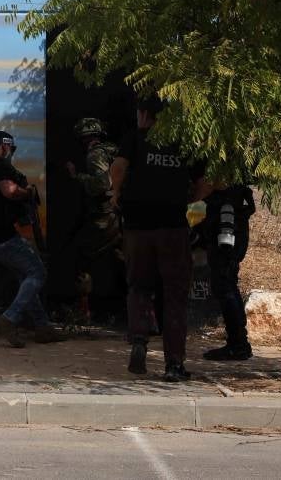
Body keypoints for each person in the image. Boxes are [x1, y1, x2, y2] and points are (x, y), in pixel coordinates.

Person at [110, 97, 211, 381]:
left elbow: (118, 168)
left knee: (139, 286)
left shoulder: (135, 138)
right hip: (173, 227)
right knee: (175, 294)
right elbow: (208, 181)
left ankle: (140, 340)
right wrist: (192, 199)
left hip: (137, 227)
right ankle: (174, 365)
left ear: (143, 115)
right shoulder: (185, 144)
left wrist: (116, 193)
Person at [0, 131, 65, 347]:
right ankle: (10, 318)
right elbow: (9, 192)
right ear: (5, 146)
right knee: (37, 272)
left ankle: (42, 327)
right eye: (12, 149)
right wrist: (27, 192)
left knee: (25, 275)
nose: (11, 153)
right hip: (2, 236)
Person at [65, 118, 121, 320]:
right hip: (122, 216)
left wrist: (76, 176)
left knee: (79, 255)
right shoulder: (114, 150)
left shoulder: (95, 154)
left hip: (105, 216)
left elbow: (102, 184)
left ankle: (83, 311)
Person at [200, 184, 255, 361]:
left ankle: (238, 344)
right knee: (228, 286)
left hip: (226, 237)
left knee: (225, 287)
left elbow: (212, 187)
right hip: (231, 235)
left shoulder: (226, 193)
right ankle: (239, 343)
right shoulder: (237, 194)